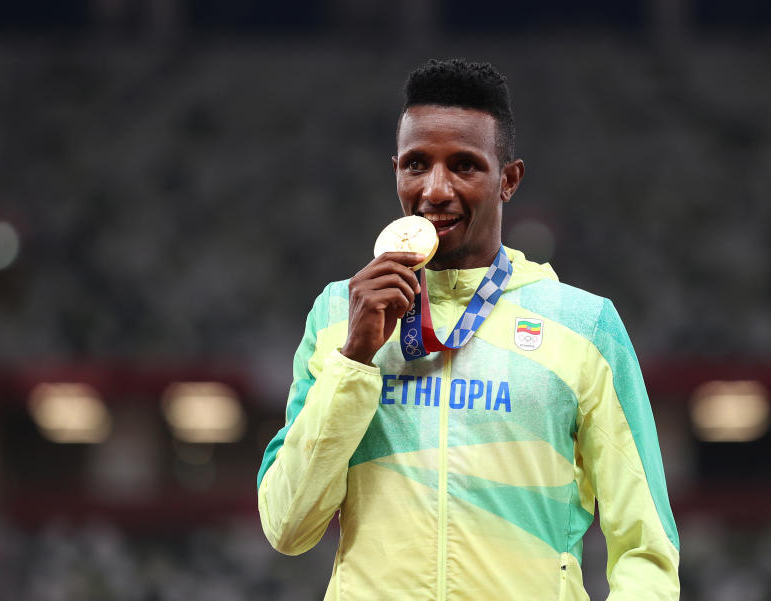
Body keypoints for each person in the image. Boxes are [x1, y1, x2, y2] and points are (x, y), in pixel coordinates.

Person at [257, 58, 680, 600]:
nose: (435, 189)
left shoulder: (584, 325)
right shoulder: (337, 315)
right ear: (395, 171)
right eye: (416, 164)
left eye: (464, 165)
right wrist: (353, 360)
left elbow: (645, 543)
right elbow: (287, 527)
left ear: (508, 179)